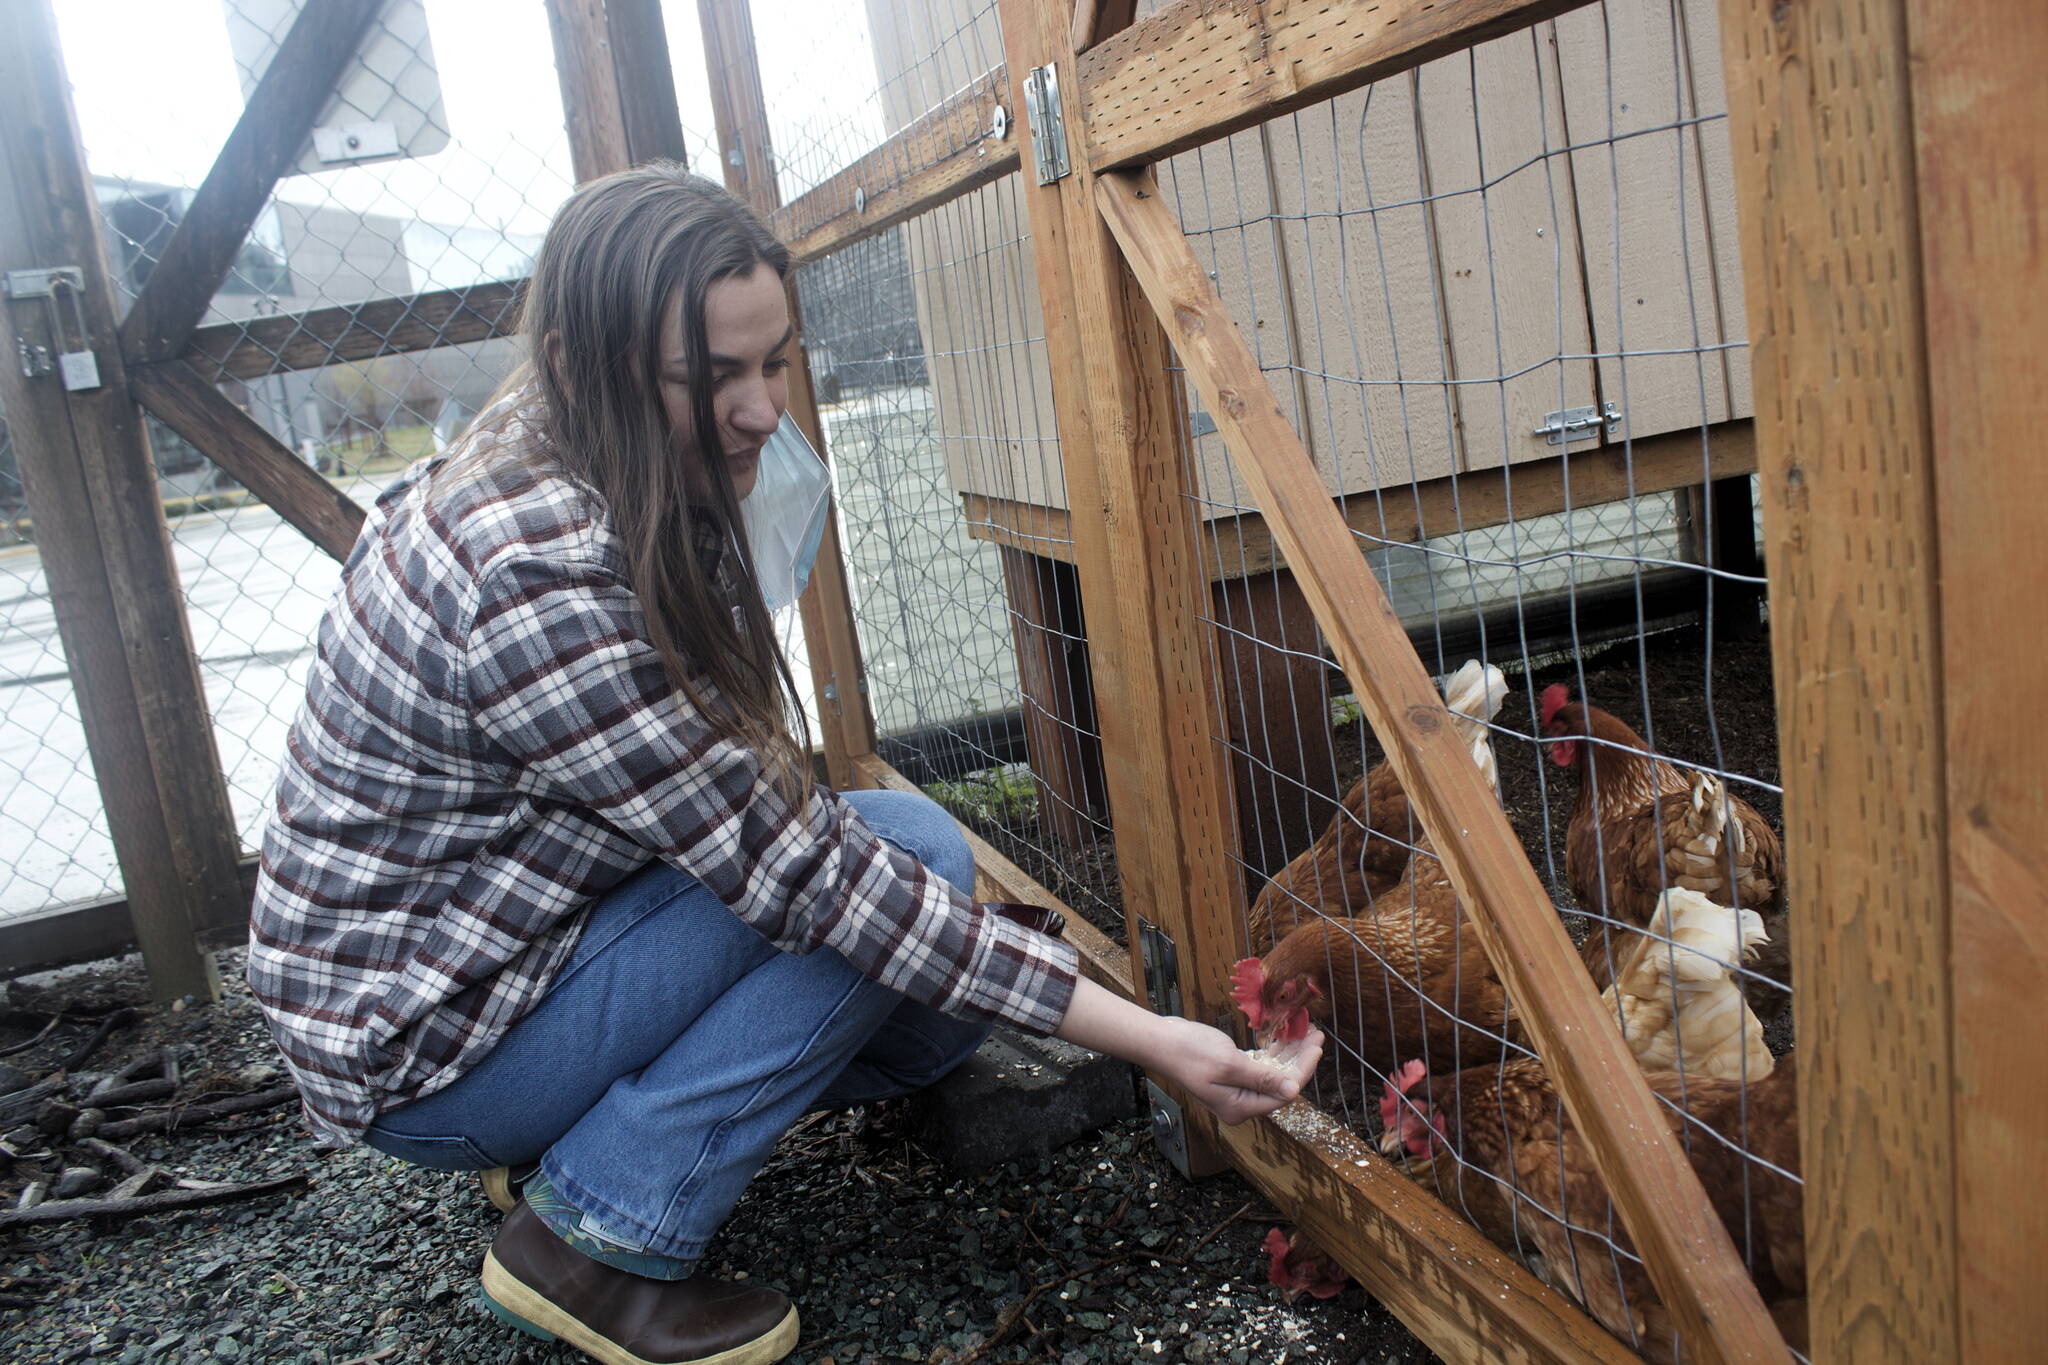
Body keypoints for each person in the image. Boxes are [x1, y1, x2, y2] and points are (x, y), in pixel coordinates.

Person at [247, 163, 1322, 1365]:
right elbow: (806, 874)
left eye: (774, 362)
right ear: (578, 362)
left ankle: (577, 1136)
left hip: (471, 961)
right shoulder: (534, 573)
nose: (763, 409)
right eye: (713, 376)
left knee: (922, 995)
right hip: (428, 1050)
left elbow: (757, 820)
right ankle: (592, 1234)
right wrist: (1152, 1038)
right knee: (894, 867)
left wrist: (972, 972)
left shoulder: (566, 445)